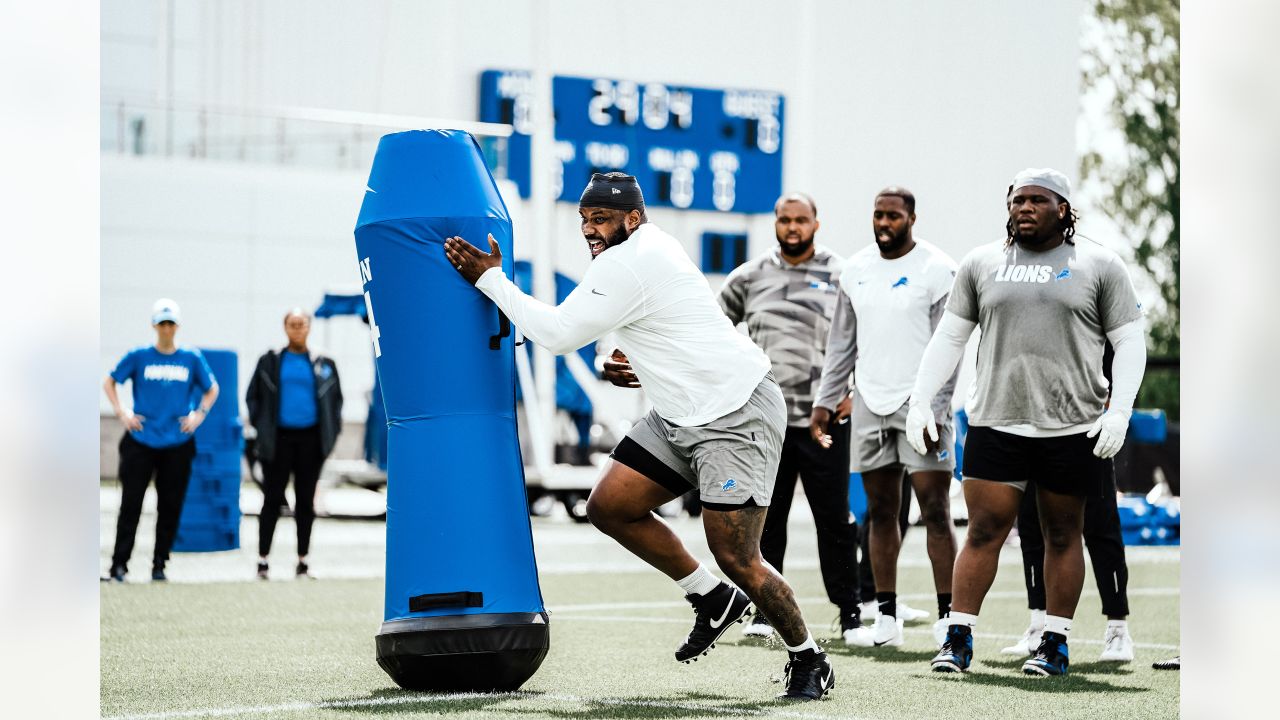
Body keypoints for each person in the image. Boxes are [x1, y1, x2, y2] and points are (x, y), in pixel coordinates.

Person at [444, 172, 834, 701]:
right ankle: (710, 598)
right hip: (680, 412)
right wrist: (618, 362)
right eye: (583, 220)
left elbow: (558, 334)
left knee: (738, 556)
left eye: (600, 219)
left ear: (633, 217)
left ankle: (808, 657)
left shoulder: (632, 260)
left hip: (734, 412)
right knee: (609, 506)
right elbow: (645, 324)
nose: (589, 230)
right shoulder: (638, 251)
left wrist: (490, 279)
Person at [907, 168, 1146, 676]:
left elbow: (1129, 341)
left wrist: (1120, 410)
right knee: (983, 531)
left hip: (1071, 424)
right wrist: (920, 401)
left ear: (1063, 208)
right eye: (1018, 200)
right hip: (997, 419)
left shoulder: (1100, 263)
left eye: (1038, 200)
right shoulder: (982, 261)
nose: (1025, 208)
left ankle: (1054, 643)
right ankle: (958, 637)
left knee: (1064, 534)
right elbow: (950, 337)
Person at [810, 187, 960, 648]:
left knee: (935, 511)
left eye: (893, 215)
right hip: (870, 406)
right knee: (880, 514)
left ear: (912, 218)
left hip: (920, 407)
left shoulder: (938, 269)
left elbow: (948, 348)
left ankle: (949, 616)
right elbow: (841, 344)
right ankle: (887, 616)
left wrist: (934, 409)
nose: (883, 223)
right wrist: (825, 399)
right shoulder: (854, 270)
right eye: (878, 215)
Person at [715, 192, 865, 644]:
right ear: (775, 223)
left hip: (824, 420)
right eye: (785, 220)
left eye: (801, 220)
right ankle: (765, 616)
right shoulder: (749, 277)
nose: (793, 227)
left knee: (834, 520)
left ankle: (851, 612)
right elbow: (712, 329)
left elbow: (871, 335)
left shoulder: (843, 275)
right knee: (766, 519)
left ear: (816, 223)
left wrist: (856, 391)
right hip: (765, 423)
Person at [102, 298, 219, 582]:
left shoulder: (190, 357)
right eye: (161, 323)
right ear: (155, 325)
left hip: (177, 444)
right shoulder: (139, 355)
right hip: (141, 441)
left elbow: (211, 388)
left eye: (170, 323)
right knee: (131, 504)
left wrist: (198, 415)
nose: (166, 328)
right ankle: (119, 565)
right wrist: (122, 412)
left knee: (170, 505)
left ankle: (159, 564)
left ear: (177, 326)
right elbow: (110, 381)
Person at [246, 309, 343, 580]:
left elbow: (336, 402)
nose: (297, 329)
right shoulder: (270, 361)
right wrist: (263, 428)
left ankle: (303, 562)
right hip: (278, 441)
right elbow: (252, 397)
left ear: (309, 328)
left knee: (305, 502)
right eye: (292, 325)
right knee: (272, 500)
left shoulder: (324, 362)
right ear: (285, 327)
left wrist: (330, 435)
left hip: (311, 441)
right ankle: (263, 561)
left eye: (301, 325)